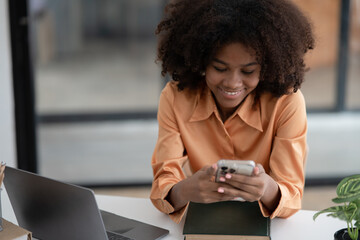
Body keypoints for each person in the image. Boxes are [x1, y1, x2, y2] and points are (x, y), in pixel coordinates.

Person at [150, 0, 315, 223]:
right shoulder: (175, 98)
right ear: (201, 61)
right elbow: (163, 183)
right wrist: (185, 190)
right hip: (202, 221)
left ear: (267, 67)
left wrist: (266, 188)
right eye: (220, 68)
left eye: (248, 71)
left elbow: (292, 195)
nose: (232, 83)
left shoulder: (287, 103)